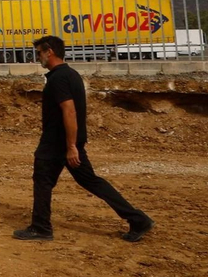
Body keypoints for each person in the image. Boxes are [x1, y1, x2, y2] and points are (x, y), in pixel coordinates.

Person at [13, 35, 153, 243]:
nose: (38, 57)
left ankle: (41, 227)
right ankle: (137, 219)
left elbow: (69, 111)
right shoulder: (71, 75)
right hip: (68, 141)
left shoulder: (59, 78)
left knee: (43, 180)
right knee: (91, 181)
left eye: (39, 53)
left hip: (58, 143)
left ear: (49, 52)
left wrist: (70, 146)